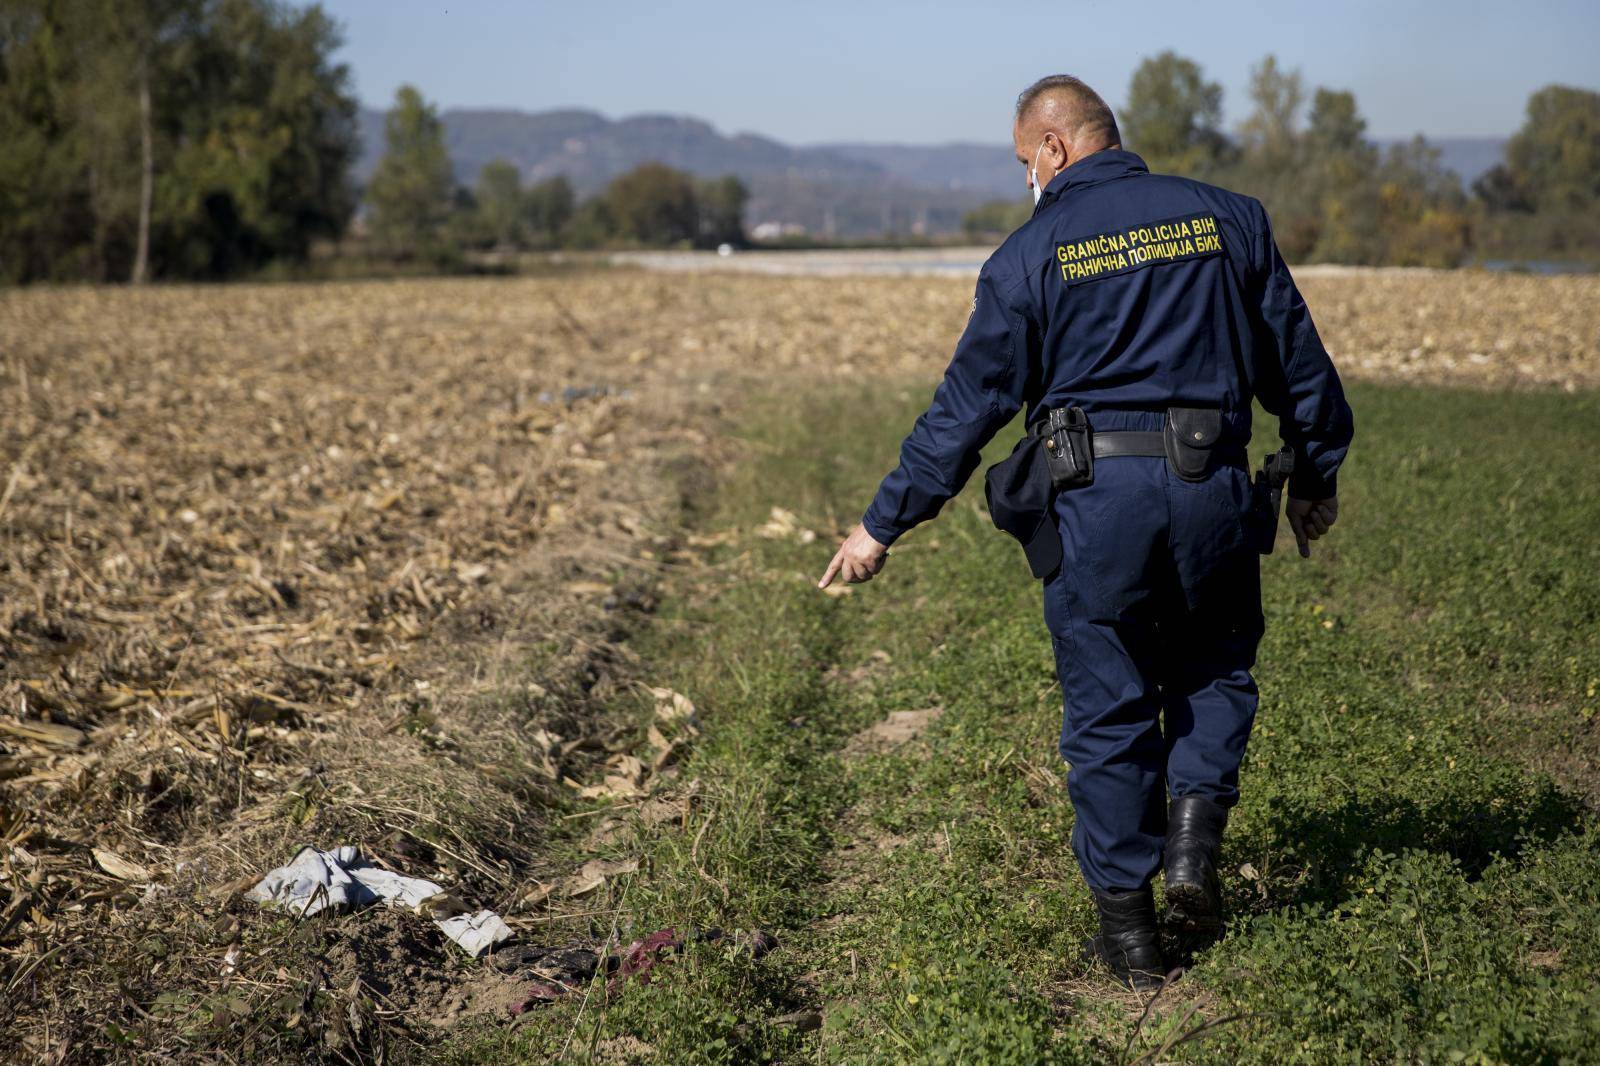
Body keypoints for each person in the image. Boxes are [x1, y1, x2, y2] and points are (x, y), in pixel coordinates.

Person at [817, 74, 1353, 989]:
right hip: (1213, 489)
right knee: (1215, 669)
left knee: (1107, 712)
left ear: (1055, 149)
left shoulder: (1028, 258)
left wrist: (881, 525)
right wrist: (1314, 474)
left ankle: (1133, 944)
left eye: (1026, 162)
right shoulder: (1229, 218)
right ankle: (1191, 844)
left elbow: (964, 413)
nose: (1027, 178)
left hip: (1095, 504)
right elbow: (1296, 366)